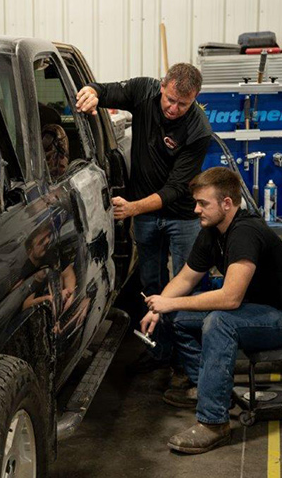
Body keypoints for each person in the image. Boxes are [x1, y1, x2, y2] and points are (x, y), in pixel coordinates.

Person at [140, 167, 282, 454]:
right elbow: (185, 278)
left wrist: (170, 302)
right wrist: (159, 306)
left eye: (203, 203)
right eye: (196, 203)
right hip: (256, 310)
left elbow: (231, 298)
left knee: (220, 321)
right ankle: (211, 390)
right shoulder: (212, 230)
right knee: (176, 315)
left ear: (227, 203)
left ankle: (214, 423)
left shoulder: (245, 231)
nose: (196, 210)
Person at [75, 63, 212, 372]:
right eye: (170, 100)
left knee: (184, 290)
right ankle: (161, 351)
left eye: (184, 104)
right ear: (162, 87)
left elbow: (177, 188)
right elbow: (107, 89)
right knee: (151, 284)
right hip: (148, 219)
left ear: (195, 99)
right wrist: (93, 93)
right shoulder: (142, 90)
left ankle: (190, 368)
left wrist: (134, 208)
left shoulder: (199, 130)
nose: (174, 109)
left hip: (182, 218)